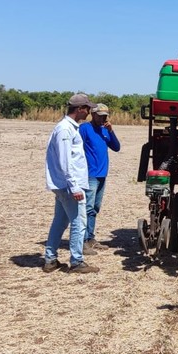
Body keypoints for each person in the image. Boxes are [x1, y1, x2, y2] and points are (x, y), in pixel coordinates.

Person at [42, 93, 100, 274]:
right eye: (87, 108)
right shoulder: (65, 130)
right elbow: (65, 161)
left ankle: (50, 260)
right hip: (69, 186)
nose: (89, 112)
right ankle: (76, 262)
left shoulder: (69, 128)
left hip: (64, 185)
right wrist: (74, 187)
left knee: (59, 222)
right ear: (80, 109)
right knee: (79, 222)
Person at [79, 103, 121, 252]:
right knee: (87, 208)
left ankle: (91, 238)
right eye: (100, 115)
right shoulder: (84, 129)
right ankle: (83, 241)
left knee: (95, 208)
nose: (103, 118)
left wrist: (111, 131)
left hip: (102, 174)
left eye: (105, 116)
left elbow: (116, 147)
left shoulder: (104, 130)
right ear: (93, 114)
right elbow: (77, 149)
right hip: (90, 174)